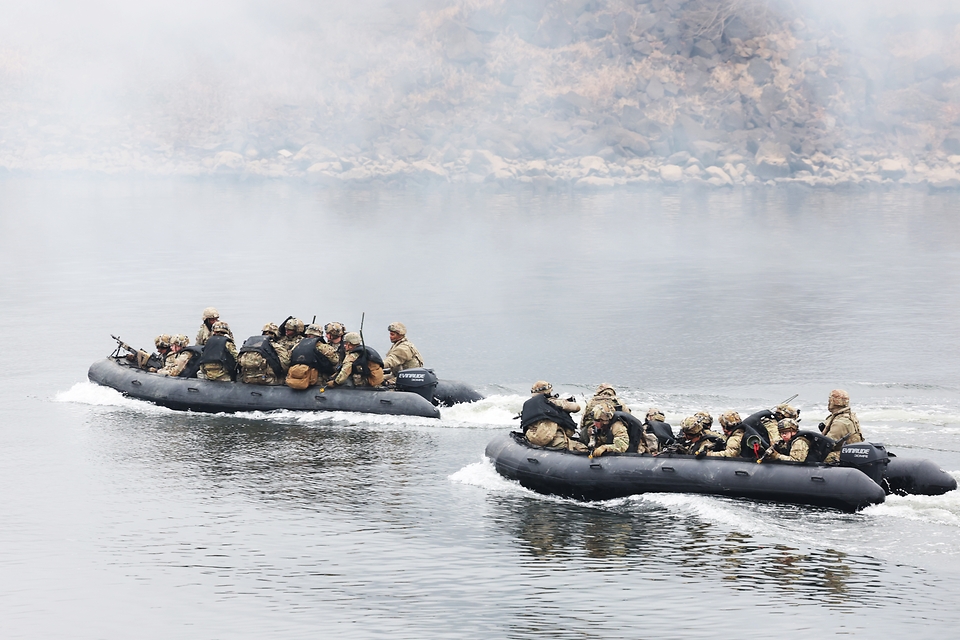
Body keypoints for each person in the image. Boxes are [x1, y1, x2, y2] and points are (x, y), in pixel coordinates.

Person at [519, 381, 585, 451]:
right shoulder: (552, 402)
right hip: (553, 441)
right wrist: (562, 403)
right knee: (583, 449)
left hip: (533, 437)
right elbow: (576, 408)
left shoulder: (528, 405)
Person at [286, 324, 341, 389]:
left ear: (307, 334)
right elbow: (336, 361)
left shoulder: (296, 346)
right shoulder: (323, 347)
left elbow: (287, 360)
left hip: (297, 379)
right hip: (317, 382)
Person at [820, 389, 864, 463]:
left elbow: (827, 444)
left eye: (830, 400)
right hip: (851, 451)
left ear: (833, 402)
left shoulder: (840, 422)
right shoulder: (847, 416)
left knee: (818, 457)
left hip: (845, 453)